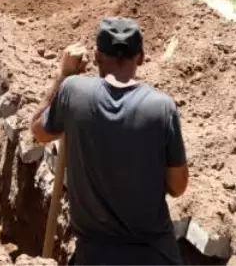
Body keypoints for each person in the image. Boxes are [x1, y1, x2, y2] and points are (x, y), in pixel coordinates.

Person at [31, 17, 189, 266]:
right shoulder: (162, 107)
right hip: (156, 256)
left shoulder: (74, 91)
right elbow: (177, 187)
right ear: (141, 57)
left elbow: (39, 131)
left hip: (94, 256)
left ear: (96, 56)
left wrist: (63, 74)